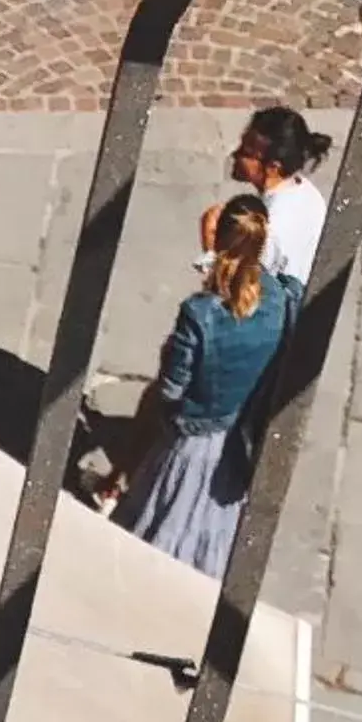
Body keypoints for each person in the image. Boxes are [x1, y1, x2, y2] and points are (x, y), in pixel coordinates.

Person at [99, 194, 298, 577]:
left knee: (160, 527)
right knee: (212, 539)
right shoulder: (283, 299)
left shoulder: (201, 312)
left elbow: (172, 391)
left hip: (193, 439)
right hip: (242, 438)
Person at [208, 105, 332, 289]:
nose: (235, 154)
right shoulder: (307, 193)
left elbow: (235, 291)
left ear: (273, 167)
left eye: (246, 153)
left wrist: (211, 246)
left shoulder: (268, 226)